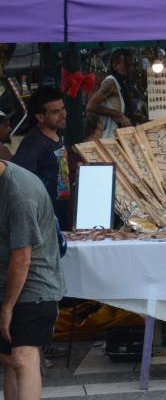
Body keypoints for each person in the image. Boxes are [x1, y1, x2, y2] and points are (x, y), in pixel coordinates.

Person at [0, 160, 65, 400]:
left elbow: (22, 259)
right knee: (9, 360)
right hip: (8, 279)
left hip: (35, 283)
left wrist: (7, 308)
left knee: (21, 357)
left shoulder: (20, 193)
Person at [11, 88, 70, 231]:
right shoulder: (34, 143)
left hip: (59, 217)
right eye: (55, 112)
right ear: (40, 117)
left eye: (63, 109)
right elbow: (16, 180)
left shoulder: (57, 137)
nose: (63, 115)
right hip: (43, 223)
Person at [85, 49, 133, 139]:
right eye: (127, 65)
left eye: (131, 65)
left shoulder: (120, 83)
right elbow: (90, 106)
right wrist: (119, 115)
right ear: (115, 66)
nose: (130, 69)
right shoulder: (111, 82)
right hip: (109, 138)